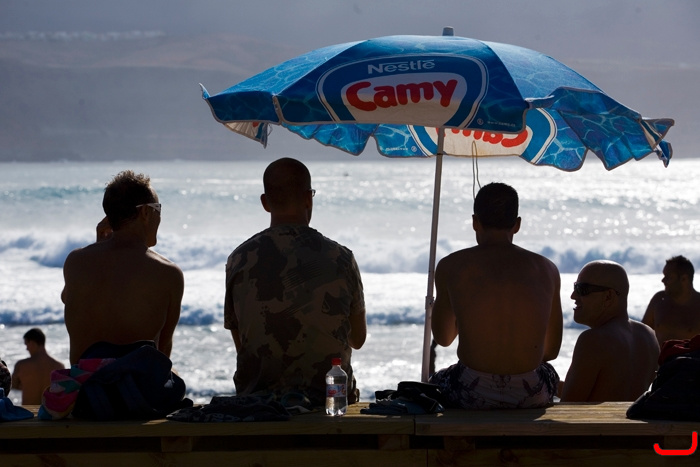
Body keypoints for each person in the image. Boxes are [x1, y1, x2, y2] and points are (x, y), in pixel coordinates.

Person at [224, 157, 367, 406]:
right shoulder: (340, 257)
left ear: (265, 202)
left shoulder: (239, 259)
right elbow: (358, 339)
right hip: (328, 400)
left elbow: (243, 343)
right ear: (308, 198)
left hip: (258, 402)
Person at [429, 182, 563, 410]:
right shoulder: (547, 269)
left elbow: (443, 339)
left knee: (435, 382)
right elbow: (551, 352)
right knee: (548, 372)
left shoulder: (451, 266)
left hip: (472, 391)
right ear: (517, 225)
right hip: (530, 392)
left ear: (475, 222)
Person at [62, 170, 184, 364]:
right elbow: (163, 352)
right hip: (136, 383)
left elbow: (71, 300)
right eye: (157, 208)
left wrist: (99, 244)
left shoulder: (75, 261)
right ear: (145, 212)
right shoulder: (168, 273)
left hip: (82, 381)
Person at [560, 261, 659, 402]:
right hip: (631, 417)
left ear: (608, 297)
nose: (573, 296)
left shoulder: (594, 340)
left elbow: (569, 405)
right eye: (575, 287)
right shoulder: (649, 336)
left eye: (582, 289)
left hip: (599, 418)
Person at [642, 255, 700, 346]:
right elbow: (642, 335)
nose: (663, 280)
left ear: (684, 279)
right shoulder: (659, 300)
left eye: (668, 277)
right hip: (659, 355)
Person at [10, 328, 65, 405]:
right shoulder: (59, 366)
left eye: (26, 344)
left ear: (32, 343)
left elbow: (13, 386)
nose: (26, 349)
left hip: (28, 411)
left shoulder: (21, 365)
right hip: (50, 411)